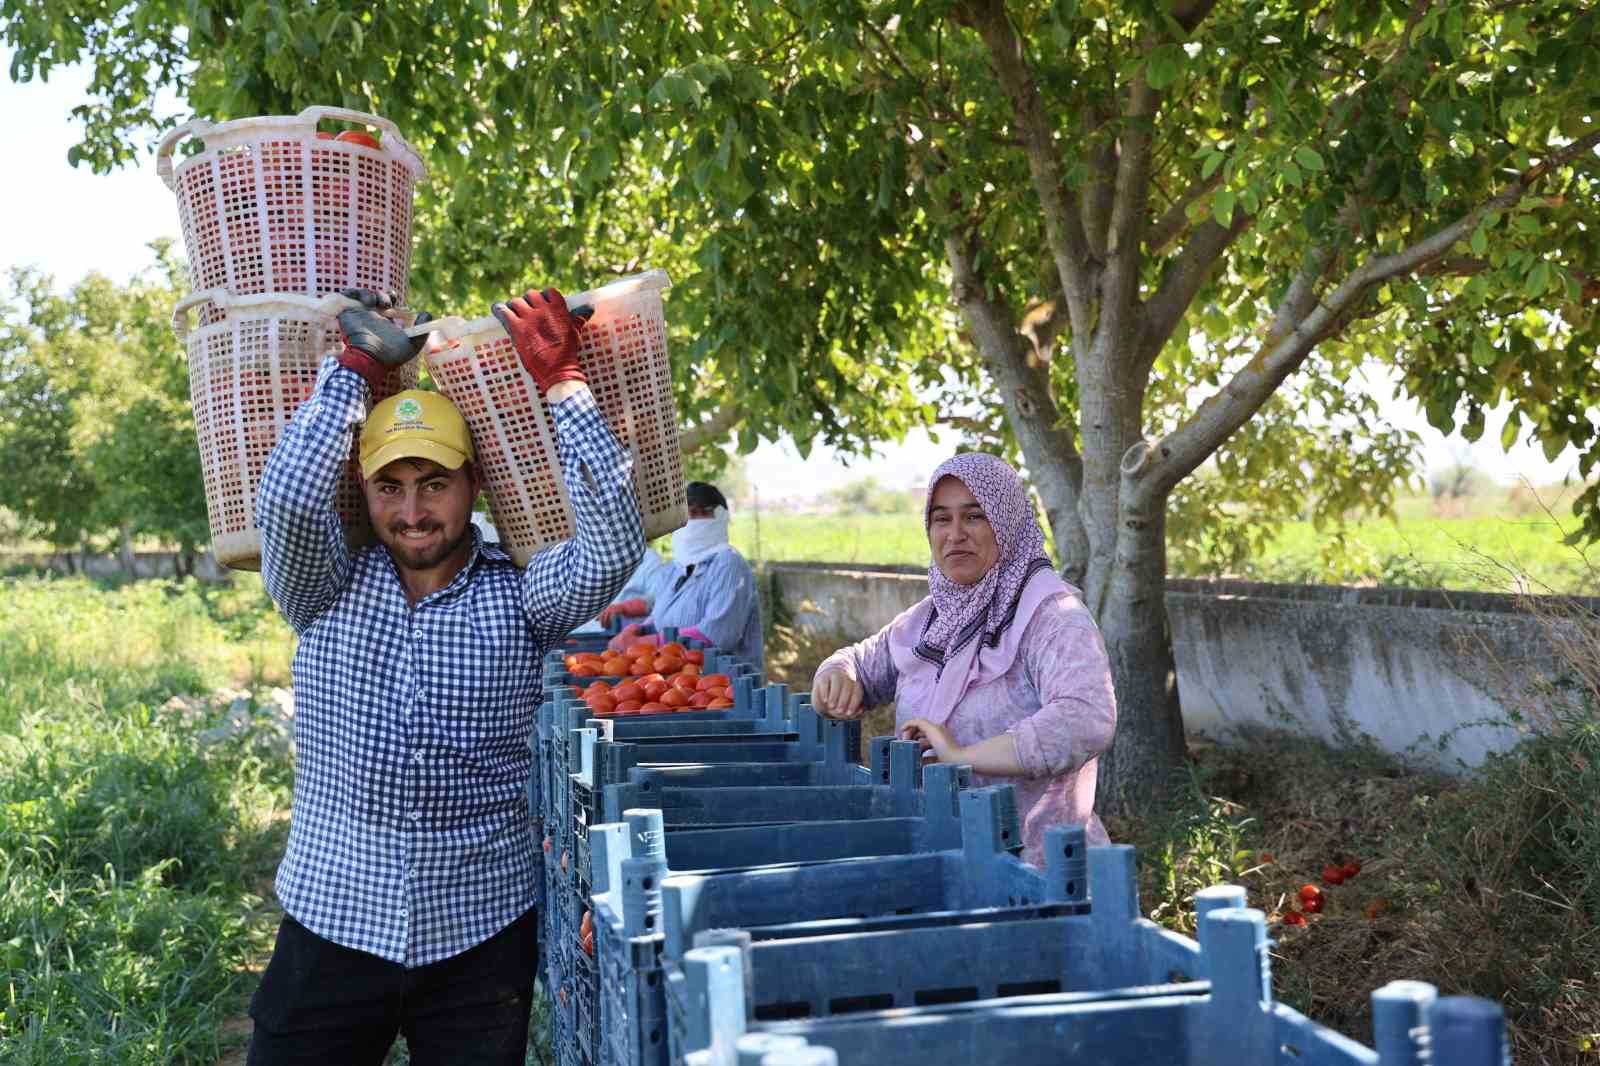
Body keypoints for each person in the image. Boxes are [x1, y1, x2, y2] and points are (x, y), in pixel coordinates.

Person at [248, 287, 643, 1064]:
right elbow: (289, 500)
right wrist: (356, 367)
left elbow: (610, 544)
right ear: (364, 494)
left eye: (435, 483)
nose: (413, 509)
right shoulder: (322, 587)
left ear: (474, 487)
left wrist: (562, 381)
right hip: (333, 917)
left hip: (478, 936)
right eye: (390, 486)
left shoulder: (520, 595)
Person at [810, 453, 1116, 865]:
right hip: (941, 862)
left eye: (974, 517)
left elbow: (1087, 717)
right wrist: (836, 673)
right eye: (941, 519)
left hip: (1038, 871)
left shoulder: (1051, 617)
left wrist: (962, 756)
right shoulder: (932, 618)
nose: (955, 534)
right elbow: (861, 662)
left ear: (1006, 523)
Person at [607, 481, 763, 665]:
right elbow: (660, 613)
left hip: (723, 685)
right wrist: (639, 630)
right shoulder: (677, 567)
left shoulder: (729, 565)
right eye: (685, 516)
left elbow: (717, 635)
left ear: (721, 517)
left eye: (700, 513)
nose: (691, 523)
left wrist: (645, 643)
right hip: (680, 681)